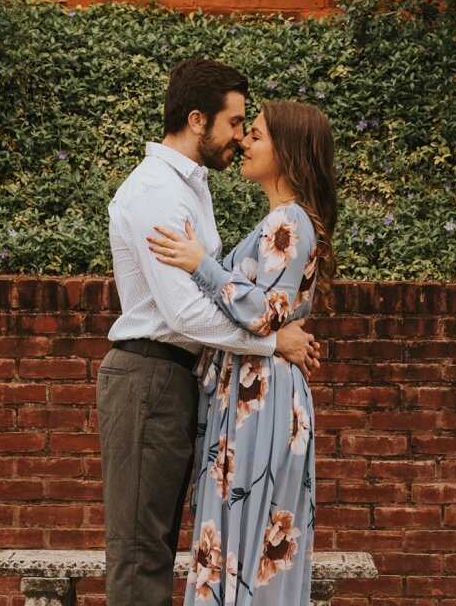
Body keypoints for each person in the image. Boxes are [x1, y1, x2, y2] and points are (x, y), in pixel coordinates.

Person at [100, 59, 320, 606]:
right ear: (198, 120)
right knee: (139, 554)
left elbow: (218, 293)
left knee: (163, 547)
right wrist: (273, 341)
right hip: (148, 374)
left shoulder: (194, 190)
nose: (241, 137)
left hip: (179, 380)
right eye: (236, 122)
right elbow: (184, 313)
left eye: (250, 127)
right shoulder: (157, 192)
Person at [147, 100, 337, 606]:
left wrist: (199, 264)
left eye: (256, 135)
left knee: (247, 536)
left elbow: (264, 311)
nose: (244, 143)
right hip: (255, 387)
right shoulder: (279, 219)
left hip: (264, 393)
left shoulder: (290, 221)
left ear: (289, 150)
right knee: (238, 535)